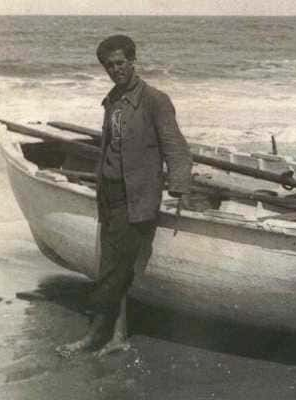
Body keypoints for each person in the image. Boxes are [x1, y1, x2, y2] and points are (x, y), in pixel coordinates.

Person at [56, 34, 193, 357]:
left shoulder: (155, 100)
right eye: (109, 66)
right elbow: (111, 149)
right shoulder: (112, 100)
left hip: (138, 197)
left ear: (133, 62)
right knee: (116, 267)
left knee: (113, 271)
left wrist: (179, 187)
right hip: (110, 196)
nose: (115, 70)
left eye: (120, 63)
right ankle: (118, 336)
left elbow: (175, 146)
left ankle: (95, 335)